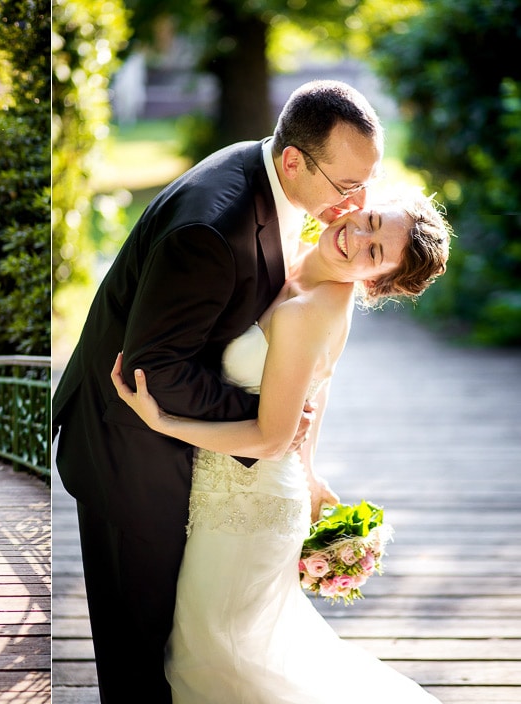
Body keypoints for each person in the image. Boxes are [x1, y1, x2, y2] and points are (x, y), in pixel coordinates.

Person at [51, 79, 383, 701]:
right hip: (129, 452)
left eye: (365, 184)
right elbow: (158, 370)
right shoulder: (211, 228)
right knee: (139, 656)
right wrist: (272, 423)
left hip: (185, 460)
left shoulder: (265, 174)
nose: (355, 202)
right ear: (293, 159)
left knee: (182, 646)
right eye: (346, 186)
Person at [111, 193, 451, 702]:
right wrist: (311, 473)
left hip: (248, 510)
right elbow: (321, 385)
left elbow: (270, 439)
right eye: (371, 221)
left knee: (215, 655)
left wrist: (162, 420)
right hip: (251, 492)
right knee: (229, 652)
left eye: (375, 251)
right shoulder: (304, 267)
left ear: (376, 281)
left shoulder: (310, 310)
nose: (357, 239)